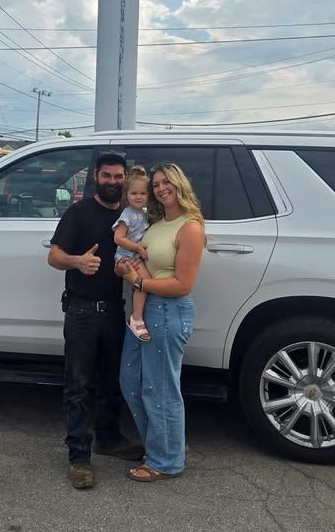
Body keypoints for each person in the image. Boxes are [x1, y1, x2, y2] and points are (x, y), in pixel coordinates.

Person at [47, 151, 144, 490]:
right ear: (95, 176)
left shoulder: (133, 216)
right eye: (107, 176)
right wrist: (77, 262)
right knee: (78, 387)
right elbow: (54, 255)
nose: (114, 182)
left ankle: (109, 439)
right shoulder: (79, 212)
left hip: (115, 311)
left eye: (119, 177)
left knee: (111, 381)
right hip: (82, 312)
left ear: (126, 178)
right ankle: (78, 456)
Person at [118, 162, 206, 482]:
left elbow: (183, 283)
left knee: (161, 389)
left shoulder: (190, 227)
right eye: (156, 184)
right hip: (145, 310)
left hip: (169, 310)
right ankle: (165, 445)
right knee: (131, 382)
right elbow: (137, 262)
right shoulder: (154, 226)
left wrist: (139, 284)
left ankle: (166, 461)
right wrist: (125, 269)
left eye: (166, 182)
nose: (160, 188)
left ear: (179, 184)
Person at [112, 165, 151, 341]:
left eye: (143, 194)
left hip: (136, 257)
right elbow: (118, 238)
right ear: (126, 195)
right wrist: (137, 248)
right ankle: (137, 318)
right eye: (134, 193)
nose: (139, 197)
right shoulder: (127, 214)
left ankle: (137, 316)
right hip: (126, 257)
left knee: (145, 284)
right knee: (140, 285)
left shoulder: (144, 213)